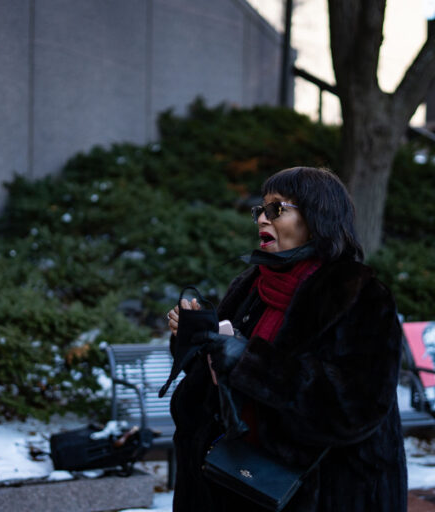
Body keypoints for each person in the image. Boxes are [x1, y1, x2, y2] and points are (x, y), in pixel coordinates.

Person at [166, 167, 407, 511]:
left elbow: (358, 404)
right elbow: (214, 378)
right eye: (260, 210)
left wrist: (248, 361)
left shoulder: (358, 295)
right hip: (231, 476)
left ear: (316, 217)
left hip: (324, 489)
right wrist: (195, 339)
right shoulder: (250, 284)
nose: (262, 219)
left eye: (277, 209)